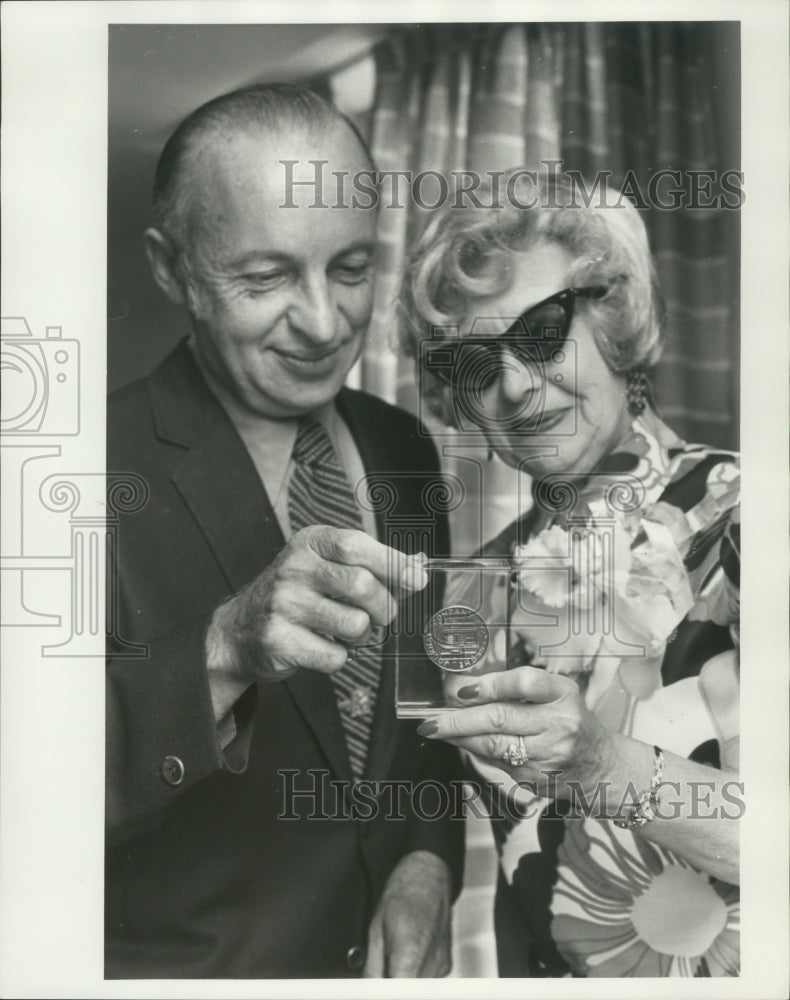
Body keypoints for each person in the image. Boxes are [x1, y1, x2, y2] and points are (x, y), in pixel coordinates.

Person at [105, 83, 464, 979]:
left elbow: (422, 713)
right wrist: (224, 647)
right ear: (170, 267)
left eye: (350, 269)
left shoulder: (402, 448)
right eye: (265, 278)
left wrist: (426, 864)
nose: (323, 321)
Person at [399, 170, 740, 978]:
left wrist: (597, 760)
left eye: (541, 333)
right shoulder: (470, 593)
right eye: (474, 365)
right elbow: (526, 874)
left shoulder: (744, 519)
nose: (515, 385)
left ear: (616, 314)